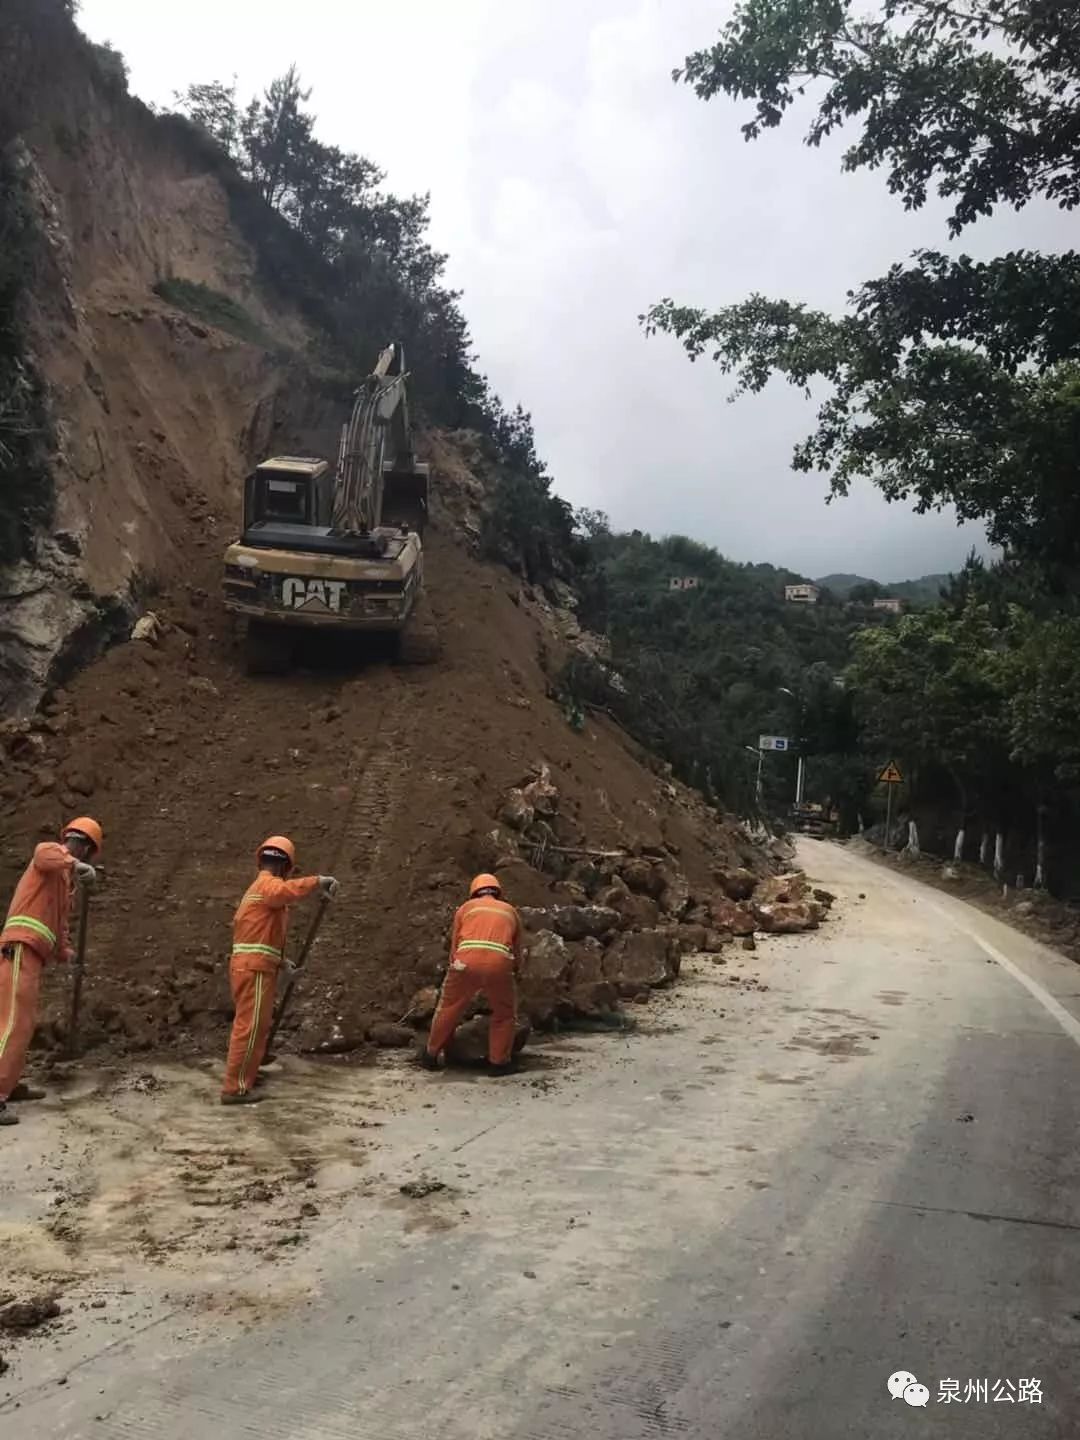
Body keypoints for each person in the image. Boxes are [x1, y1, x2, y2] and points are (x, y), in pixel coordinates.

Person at [221, 835, 338, 1106]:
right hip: (254, 970)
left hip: (256, 967)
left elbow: (260, 937)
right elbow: (282, 893)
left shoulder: (260, 889)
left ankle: (246, 1074)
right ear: (285, 867)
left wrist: (284, 965)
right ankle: (235, 1088)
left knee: (255, 1028)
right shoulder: (267, 886)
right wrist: (316, 881)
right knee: (249, 1029)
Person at [0, 817, 102, 1127]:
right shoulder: (49, 856)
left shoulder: (62, 883)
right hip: (18, 949)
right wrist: (75, 866)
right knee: (13, 1023)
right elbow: (45, 854)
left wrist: (65, 953)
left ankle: (9, 1083)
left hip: (32, 955)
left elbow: (58, 924)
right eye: (75, 843)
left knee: (23, 1023)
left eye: (80, 846)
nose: (76, 849)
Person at [421, 873, 524, 1076]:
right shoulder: (511, 911)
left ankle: (431, 1055)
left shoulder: (465, 909)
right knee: (504, 1014)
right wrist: (516, 970)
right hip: (499, 963)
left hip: (465, 961)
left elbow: (455, 943)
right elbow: (517, 948)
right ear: (497, 892)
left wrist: (455, 965)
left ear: (474, 892)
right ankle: (498, 1064)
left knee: (449, 1008)